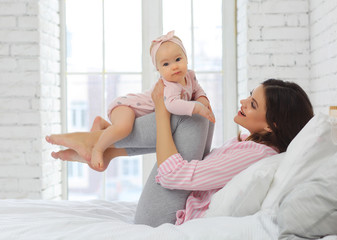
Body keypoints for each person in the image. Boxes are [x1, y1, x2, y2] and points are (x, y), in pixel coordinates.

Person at [46, 79, 313, 227]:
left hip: (163, 218)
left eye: (252, 103)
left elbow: (174, 175)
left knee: (193, 118)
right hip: (171, 208)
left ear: (271, 125)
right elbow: (199, 167)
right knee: (200, 114)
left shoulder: (257, 154)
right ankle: (106, 147)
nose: (243, 102)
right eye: (249, 95)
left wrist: (162, 110)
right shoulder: (254, 147)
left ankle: (96, 140)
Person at [85, 30, 215, 171]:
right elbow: (172, 105)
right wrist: (196, 107)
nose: (174, 66)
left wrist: (202, 99)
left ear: (186, 59)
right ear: (158, 69)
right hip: (127, 106)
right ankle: (97, 148)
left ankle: (103, 125)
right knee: (124, 128)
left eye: (178, 59)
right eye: (166, 64)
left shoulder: (190, 75)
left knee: (133, 133)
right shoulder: (170, 85)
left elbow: (198, 89)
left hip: (134, 111)